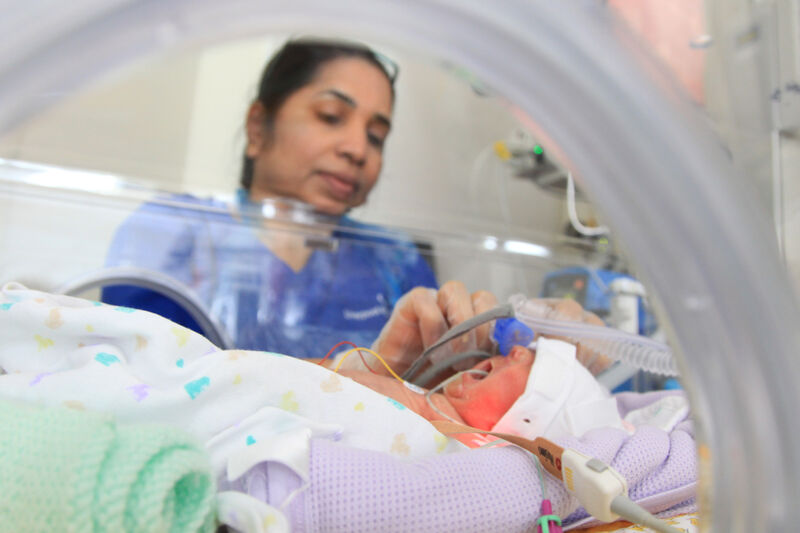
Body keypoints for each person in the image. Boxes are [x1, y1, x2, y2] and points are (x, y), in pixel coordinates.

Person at [101, 38, 440, 358]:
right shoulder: (177, 232)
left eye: (376, 136)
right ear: (259, 127)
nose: (357, 149)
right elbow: (144, 379)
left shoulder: (396, 263)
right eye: (331, 117)